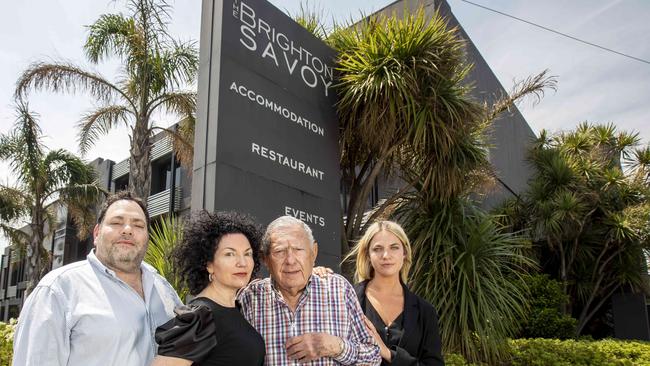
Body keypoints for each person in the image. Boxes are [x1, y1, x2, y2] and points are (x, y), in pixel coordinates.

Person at [13, 191, 182, 366]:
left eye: (138, 225)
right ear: (96, 233)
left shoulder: (164, 289)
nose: (128, 230)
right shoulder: (57, 290)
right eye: (117, 222)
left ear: (146, 237)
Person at [238, 215, 381, 365]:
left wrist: (335, 347)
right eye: (279, 252)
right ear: (265, 259)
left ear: (313, 253)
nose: (290, 260)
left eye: (298, 249)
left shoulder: (339, 289)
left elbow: (373, 357)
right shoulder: (250, 298)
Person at [152, 211, 265, 366]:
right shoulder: (200, 317)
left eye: (248, 254)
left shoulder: (237, 309)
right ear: (209, 264)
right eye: (229, 254)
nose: (242, 262)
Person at [346, 221, 444, 366]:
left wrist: (389, 354)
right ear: (368, 255)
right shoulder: (347, 300)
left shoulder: (425, 312)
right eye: (377, 249)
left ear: (404, 253)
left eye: (394, 247)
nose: (386, 255)